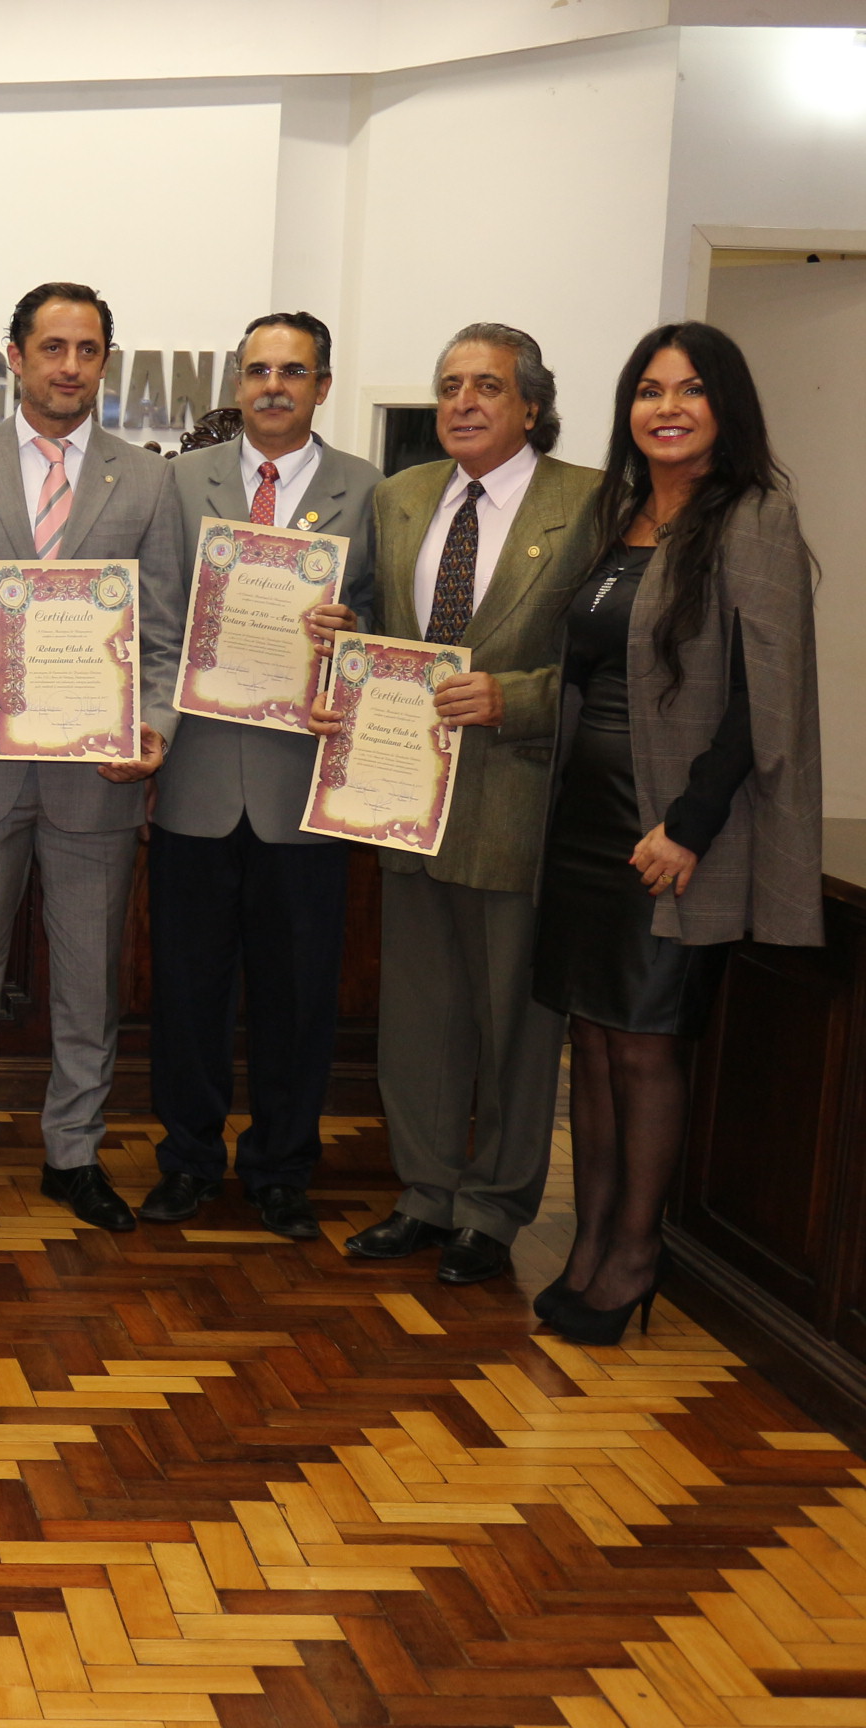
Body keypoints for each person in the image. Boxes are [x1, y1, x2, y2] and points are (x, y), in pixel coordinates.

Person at [530, 323, 821, 1343]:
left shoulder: (754, 519)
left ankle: (637, 1258)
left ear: (724, 406)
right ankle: (591, 1243)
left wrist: (690, 825)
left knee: (649, 1048)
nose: (666, 407)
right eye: (649, 390)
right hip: (585, 822)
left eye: (690, 390)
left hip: (671, 826)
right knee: (595, 1041)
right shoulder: (620, 518)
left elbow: (762, 696)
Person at [330, 324, 599, 1286]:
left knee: (516, 1028)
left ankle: (493, 1210)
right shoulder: (399, 498)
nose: (463, 404)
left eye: (487, 386)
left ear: (532, 403)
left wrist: (515, 698)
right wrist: (344, 637)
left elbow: (616, 664)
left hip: (519, 805)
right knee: (420, 1018)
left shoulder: (594, 500)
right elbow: (382, 624)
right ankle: (425, 1194)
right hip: (405, 798)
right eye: (449, 387)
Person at [0, 283, 184, 1233]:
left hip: (96, 778)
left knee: (87, 984)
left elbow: (162, 635)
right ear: (15, 358)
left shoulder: (148, 479)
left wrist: (153, 727)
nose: (70, 366)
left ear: (107, 361)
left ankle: (75, 1151)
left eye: (88, 349)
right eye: (52, 348)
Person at [140, 311, 380, 1241]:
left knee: (297, 995)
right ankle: (189, 1162)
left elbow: (390, 630)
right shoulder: (180, 482)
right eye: (257, 370)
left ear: (323, 384)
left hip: (306, 791)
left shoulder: (373, 491)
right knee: (189, 993)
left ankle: (283, 1169)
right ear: (237, 384)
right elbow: (160, 616)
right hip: (197, 777)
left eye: (294, 370)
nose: (273, 385)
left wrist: (352, 639)